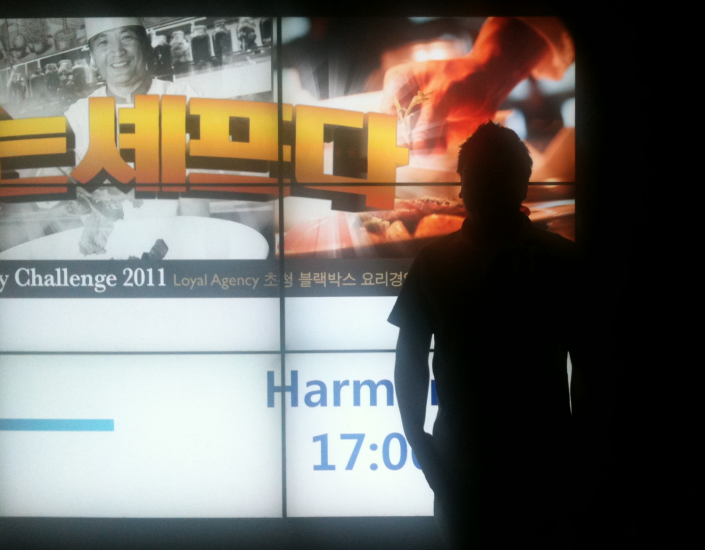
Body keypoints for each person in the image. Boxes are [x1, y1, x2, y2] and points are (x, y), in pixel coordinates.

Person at [388, 121, 585, 548]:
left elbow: (409, 360)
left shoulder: (434, 261)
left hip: (468, 468)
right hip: (540, 470)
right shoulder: (562, 259)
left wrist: (421, 446)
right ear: (524, 185)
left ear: (462, 186)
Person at [64, 17, 200, 167]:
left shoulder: (186, 99)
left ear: (145, 45)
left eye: (126, 37)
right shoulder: (77, 118)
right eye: (103, 42)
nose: (117, 51)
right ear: (92, 57)